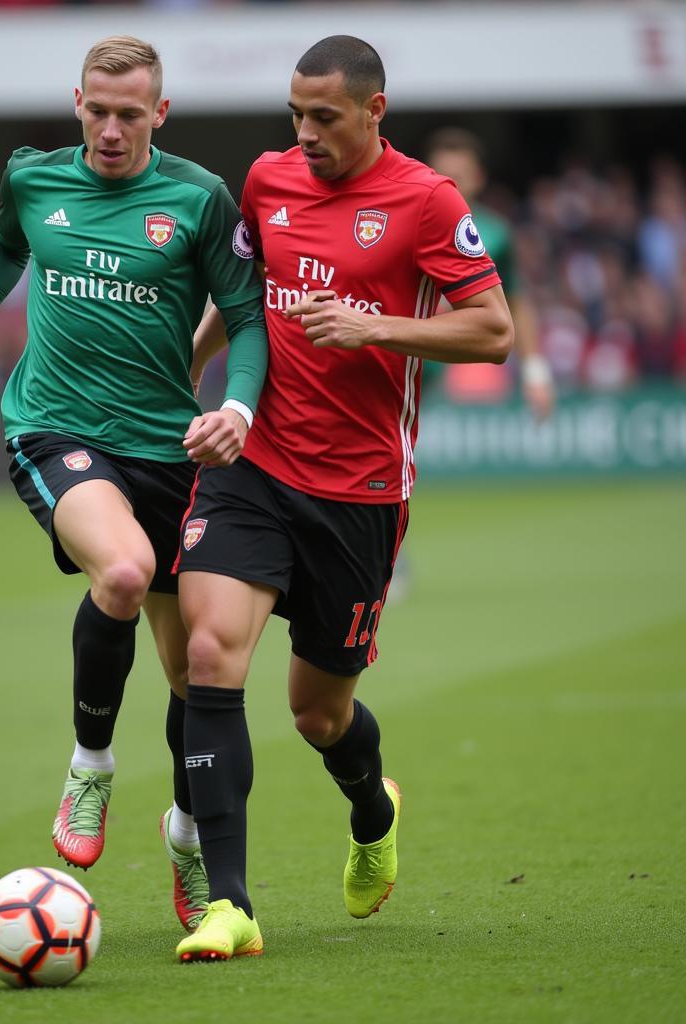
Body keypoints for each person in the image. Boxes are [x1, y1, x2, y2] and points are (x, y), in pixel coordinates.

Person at [173, 35, 514, 961]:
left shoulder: (427, 201)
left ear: (374, 111)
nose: (305, 133)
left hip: (361, 490)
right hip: (255, 461)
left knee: (317, 714)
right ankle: (230, 905)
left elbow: (493, 332)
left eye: (324, 117)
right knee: (210, 650)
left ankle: (373, 807)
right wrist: (192, 367)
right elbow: (243, 296)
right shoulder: (268, 180)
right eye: (296, 113)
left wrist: (378, 328)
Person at [0, 36, 267, 932]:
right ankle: (89, 767)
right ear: (76, 103)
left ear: (160, 114)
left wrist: (236, 410)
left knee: (194, 672)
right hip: (56, 427)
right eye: (98, 110)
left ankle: (187, 838)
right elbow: (2, 247)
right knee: (119, 573)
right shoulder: (34, 180)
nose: (112, 129)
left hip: (170, 449)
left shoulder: (200, 200)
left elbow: (246, 318)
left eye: (131, 113)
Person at [426, 127, 555, 419]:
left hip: (462, 370)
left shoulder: (496, 234)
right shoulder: (404, 226)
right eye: (442, 174)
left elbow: (516, 302)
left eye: (459, 176)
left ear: (478, 178)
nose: (451, 185)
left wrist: (535, 373)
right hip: (404, 362)